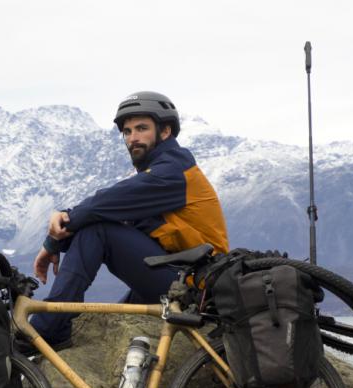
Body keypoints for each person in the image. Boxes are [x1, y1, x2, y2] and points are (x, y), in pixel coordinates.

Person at [20, 91, 229, 354]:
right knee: (112, 318)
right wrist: (57, 241)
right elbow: (111, 211)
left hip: (195, 287)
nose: (133, 138)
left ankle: (47, 328)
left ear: (165, 131)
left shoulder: (174, 172)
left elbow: (103, 205)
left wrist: (53, 240)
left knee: (100, 230)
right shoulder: (161, 171)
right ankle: (56, 328)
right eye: (127, 131)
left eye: (142, 128)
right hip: (175, 271)